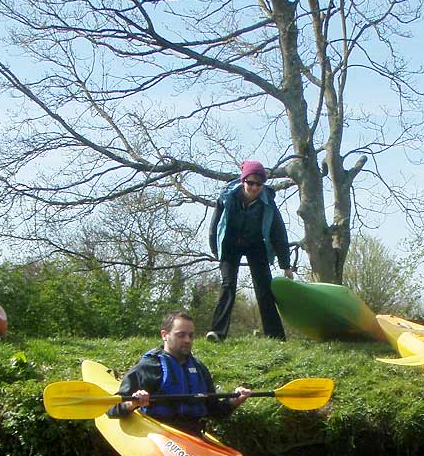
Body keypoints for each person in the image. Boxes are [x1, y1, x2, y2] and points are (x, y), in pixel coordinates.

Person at [108, 311, 251, 436]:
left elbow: (214, 411)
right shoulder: (149, 367)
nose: (187, 340)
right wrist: (132, 403)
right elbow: (112, 409)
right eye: (181, 335)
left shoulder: (199, 368)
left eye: (190, 335)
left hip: (192, 435)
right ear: (165, 335)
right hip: (159, 435)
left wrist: (235, 401)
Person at [207, 160, 293, 342]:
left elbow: (279, 234)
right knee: (228, 284)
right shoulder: (227, 197)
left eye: (258, 184)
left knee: (264, 288)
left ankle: (276, 336)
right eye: (250, 183)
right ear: (243, 180)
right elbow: (214, 225)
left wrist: (286, 265)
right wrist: (216, 250)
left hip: (255, 244)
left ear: (263, 185)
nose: (254, 187)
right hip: (230, 243)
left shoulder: (267, 202)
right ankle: (217, 332)